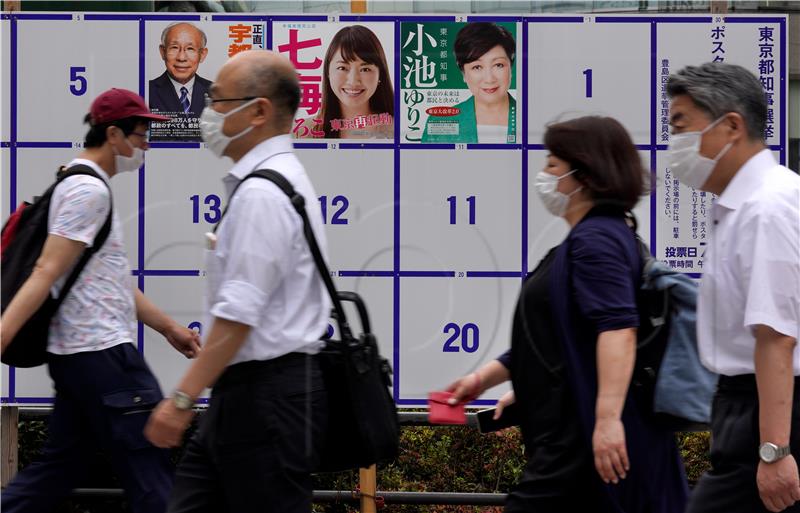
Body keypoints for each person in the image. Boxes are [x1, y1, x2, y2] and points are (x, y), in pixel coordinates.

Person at [445, 116, 689, 512]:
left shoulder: (597, 240)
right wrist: (484, 379)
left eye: (553, 166)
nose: (544, 175)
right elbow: (561, 336)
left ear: (584, 175)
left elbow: (618, 330)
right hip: (574, 440)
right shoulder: (593, 237)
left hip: (589, 444)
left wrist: (608, 422)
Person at [144, 49, 331, 513]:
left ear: (260, 111)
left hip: (265, 399)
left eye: (219, 100)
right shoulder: (277, 181)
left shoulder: (263, 195)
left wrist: (181, 400)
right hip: (250, 396)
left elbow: (238, 315)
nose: (207, 113)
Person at [0, 88, 202, 513]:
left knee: (55, 471)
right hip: (105, 358)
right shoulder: (88, 192)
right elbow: (46, 272)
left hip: (78, 358)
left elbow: (110, 281)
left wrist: (169, 329)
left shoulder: (78, 184)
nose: (147, 144)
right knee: (151, 473)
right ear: (114, 134)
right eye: (142, 133)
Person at [666, 63, 800, 513]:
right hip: (749, 406)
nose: (675, 142)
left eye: (681, 125)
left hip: (768, 409)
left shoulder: (767, 207)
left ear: (732, 127)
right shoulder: (742, 207)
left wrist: (774, 451)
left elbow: (776, 336)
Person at [422, 22, 516, 144]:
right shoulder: (440, 123)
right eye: (477, 67)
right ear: (463, 73)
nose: (489, 79)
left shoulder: (531, 118)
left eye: (498, 65)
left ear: (510, 67)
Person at [295, 24, 393, 139]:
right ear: (328, 72)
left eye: (365, 69)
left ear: (380, 74)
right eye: (342, 68)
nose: (353, 81)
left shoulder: (398, 129)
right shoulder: (303, 132)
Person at [149, 22, 211, 118]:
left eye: (190, 48)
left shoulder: (216, 93)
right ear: (162, 52)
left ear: (202, 54)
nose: (181, 58)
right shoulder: (147, 91)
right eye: (174, 47)